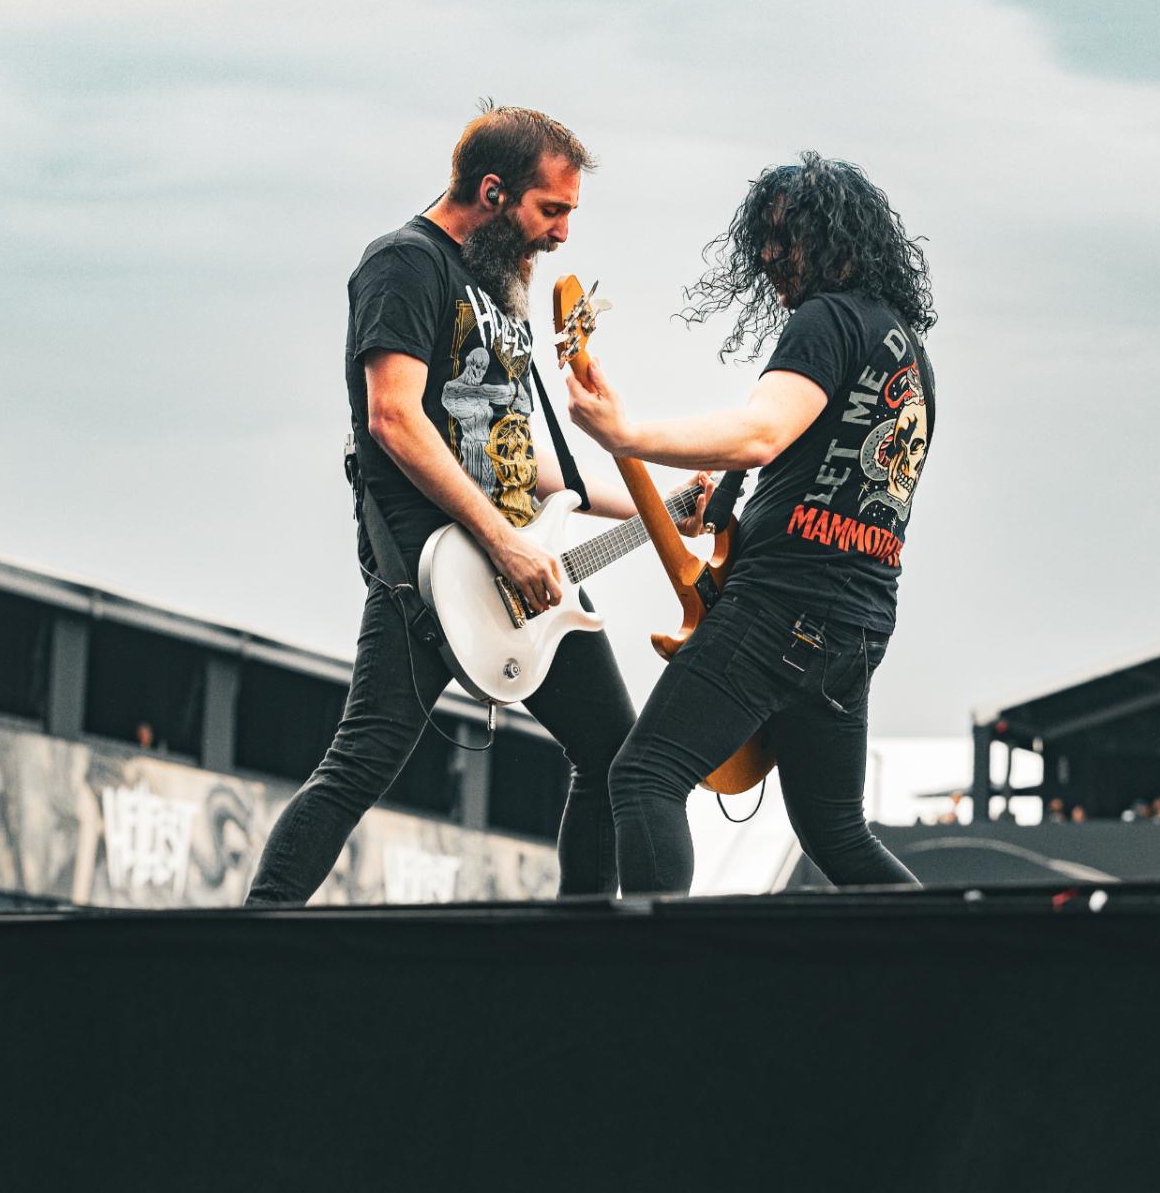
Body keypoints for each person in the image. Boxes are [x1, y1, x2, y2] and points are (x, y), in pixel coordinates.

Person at [244, 103, 699, 906]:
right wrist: (502, 541)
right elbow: (393, 417)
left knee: (612, 754)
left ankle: (583, 948)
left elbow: (530, 467)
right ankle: (251, 935)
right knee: (360, 763)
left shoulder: (499, 290)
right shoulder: (404, 263)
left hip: (523, 566)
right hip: (435, 569)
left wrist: (659, 509)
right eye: (550, 209)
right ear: (493, 192)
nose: (562, 234)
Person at [568, 151, 936, 894]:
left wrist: (627, 433)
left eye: (783, 237)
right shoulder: (908, 352)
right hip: (857, 629)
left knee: (644, 775)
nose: (769, 256)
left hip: (782, 609)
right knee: (837, 833)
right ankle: (966, 951)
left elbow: (763, 433)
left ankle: (655, 965)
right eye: (763, 239)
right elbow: (828, 472)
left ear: (829, 238)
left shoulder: (825, 320)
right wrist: (728, 505)